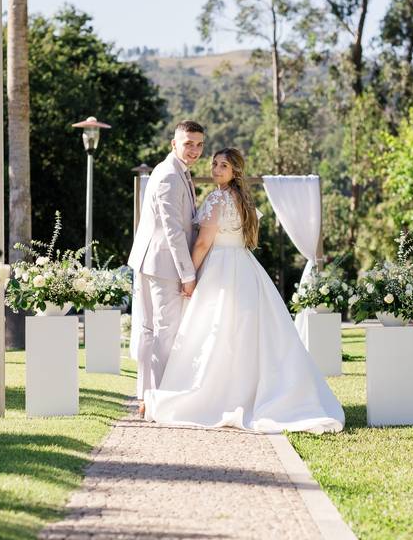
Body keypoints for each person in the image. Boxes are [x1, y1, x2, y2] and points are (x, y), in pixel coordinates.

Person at [144, 148, 344, 434]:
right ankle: (244, 392)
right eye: (214, 163)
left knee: (217, 331)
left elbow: (202, 243)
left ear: (235, 171)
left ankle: (221, 395)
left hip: (220, 268)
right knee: (244, 334)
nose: (215, 169)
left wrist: (187, 275)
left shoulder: (217, 198)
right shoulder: (243, 199)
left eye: (222, 165)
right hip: (245, 266)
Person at [127, 120, 205, 416]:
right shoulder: (169, 176)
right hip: (163, 265)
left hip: (153, 261)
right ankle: (158, 401)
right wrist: (188, 274)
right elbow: (173, 230)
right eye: (189, 144)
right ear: (174, 143)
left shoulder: (175, 171)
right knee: (164, 333)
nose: (195, 150)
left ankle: (147, 399)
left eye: (199, 144)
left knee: (151, 332)